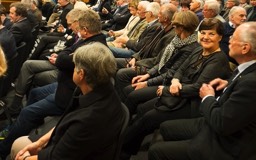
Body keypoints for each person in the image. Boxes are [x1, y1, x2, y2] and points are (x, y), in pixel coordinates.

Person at [0, 9, 107, 159]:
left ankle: (3, 149)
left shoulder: (93, 47)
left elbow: (64, 60)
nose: (71, 28)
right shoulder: (87, 40)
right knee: (35, 93)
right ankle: (23, 127)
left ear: (85, 29)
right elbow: (67, 51)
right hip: (65, 84)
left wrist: (64, 57)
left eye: (75, 26)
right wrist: (64, 56)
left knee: (27, 112)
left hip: (69, 93)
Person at [120, 18, 231, 159]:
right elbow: (181, 68)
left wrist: (167, 89)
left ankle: (120, 147)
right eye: (203, 33)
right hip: (176, 93)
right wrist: (176, 80)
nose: (206, 37)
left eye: (211, 34)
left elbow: (198, 88)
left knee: (148, 117)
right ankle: (128, 147)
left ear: (220, 37)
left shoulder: (218, 60)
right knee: (142, 109)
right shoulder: (198, 50)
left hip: (191, 104)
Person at [149, 21, 256, 160]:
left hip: (224, 143)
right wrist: (228, 83)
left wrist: (207, 97)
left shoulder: (250, 82)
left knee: (156, 151)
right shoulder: (245, 69)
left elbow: (222, 123)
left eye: (234, 38)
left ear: (245, 48)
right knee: (164, 127)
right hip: (213, 119)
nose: (229, 40)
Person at [11, 43, 125, 160]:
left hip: (70, 153)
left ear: (81, 74)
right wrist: (39, 142)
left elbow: (57, 157)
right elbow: (65, 122)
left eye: (75, 67)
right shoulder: (102, 88)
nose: (73, 70)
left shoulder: (89, 119)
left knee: (18, 146)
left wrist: (24, 159)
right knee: (20, 144)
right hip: (69, 145)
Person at [122, 11, 200, 115]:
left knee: (132, 94)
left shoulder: (190, 48)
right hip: (160, 75)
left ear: (181, 28)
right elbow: (162, 61)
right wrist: (147, 75)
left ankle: (123, 121)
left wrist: (147, 83)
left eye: (174, 25)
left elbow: (171, 73)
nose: (173, 27)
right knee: (128, 89)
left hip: (167, 83)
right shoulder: (177, 40)